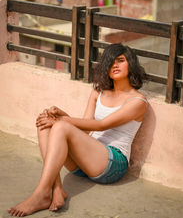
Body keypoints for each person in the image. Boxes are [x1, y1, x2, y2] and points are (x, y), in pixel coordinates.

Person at [8, 43, 147, 217]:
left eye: (121, 61)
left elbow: (102, 125)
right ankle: (56, 188)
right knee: (45, 122)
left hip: (112, 165)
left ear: (131, 64)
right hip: (86, 161)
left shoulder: (137, 102)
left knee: (57, 124)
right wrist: (60, 116)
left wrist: (62, 119)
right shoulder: (99, 91)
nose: (115, 65)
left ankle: (41, 193)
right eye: (111, 62)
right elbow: (86, 127)